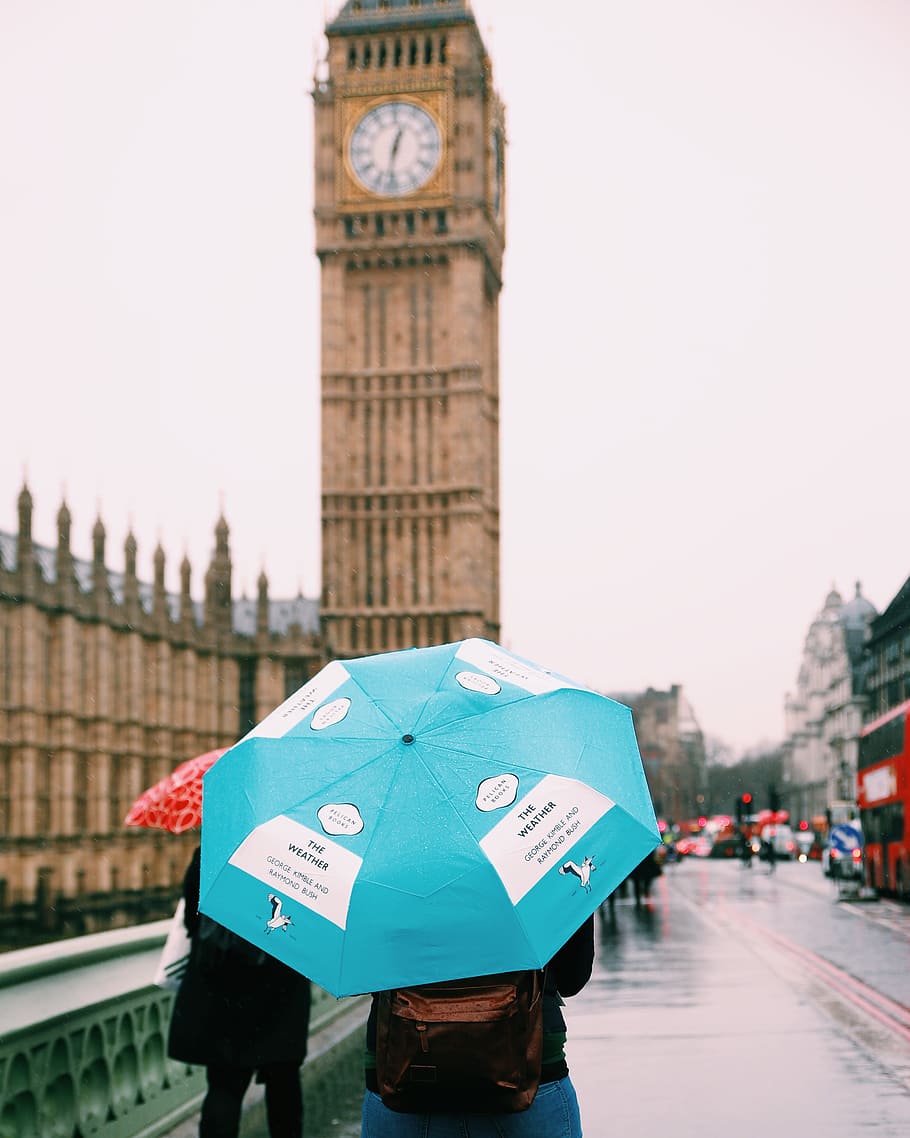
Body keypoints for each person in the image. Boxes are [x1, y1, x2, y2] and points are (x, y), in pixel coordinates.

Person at [360, 915, 595, 1137]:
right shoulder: (539, 870)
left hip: (401, 1060)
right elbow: (570, 977)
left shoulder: (376, 873)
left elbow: (360, 971)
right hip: (528, 1062)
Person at [167, 847, 313, 1138]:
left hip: (225, 988)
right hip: (281, 986)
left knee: (225, 1087)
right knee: (283, 1084)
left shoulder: (215, 847)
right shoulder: (299, 854)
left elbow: (191, 920)